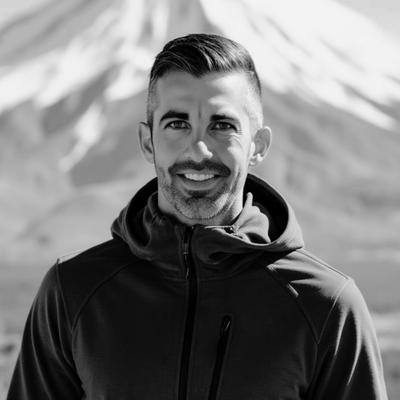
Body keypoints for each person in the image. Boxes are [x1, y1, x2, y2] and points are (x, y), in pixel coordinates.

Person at [7, 33, 388, 400]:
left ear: (257, 146)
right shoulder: (72, 292)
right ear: (147, 142)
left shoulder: (327, 304)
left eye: (222, 126)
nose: (199, 150)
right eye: (177, 124)